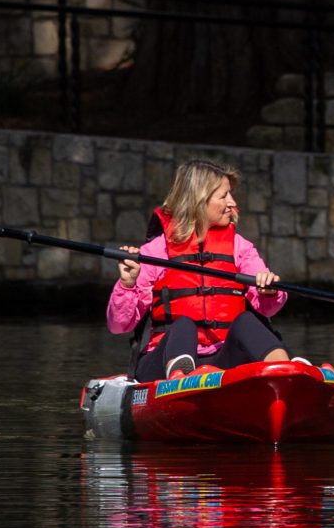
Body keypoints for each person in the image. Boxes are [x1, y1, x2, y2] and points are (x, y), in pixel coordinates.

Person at [107, 160, 296, 382]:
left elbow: (267, 308)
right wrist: (127, 284)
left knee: (246, 321)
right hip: (162, 363)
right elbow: (119, 325)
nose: (232, 203)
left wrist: (270, 291)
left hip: (222, 359)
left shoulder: (239, 246)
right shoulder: (157, 251)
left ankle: (284, 372)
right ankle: (181, 379)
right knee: (183, 325)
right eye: (224, 196)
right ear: (200, 201)